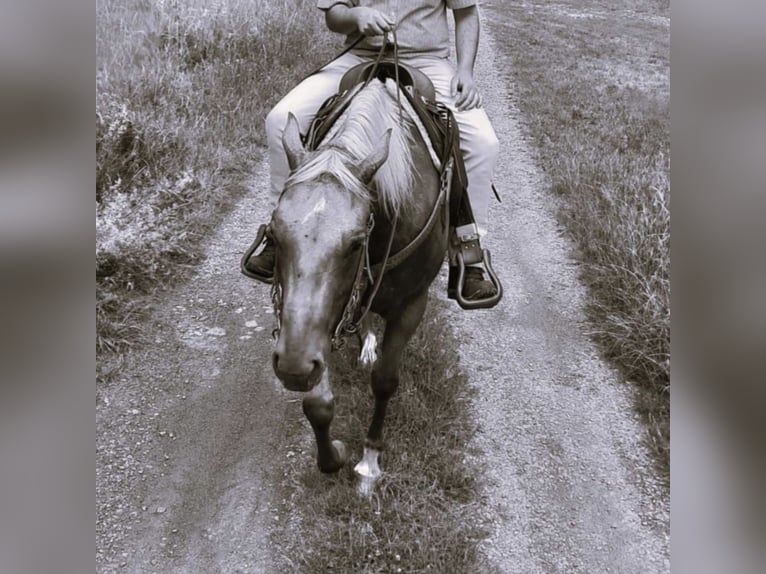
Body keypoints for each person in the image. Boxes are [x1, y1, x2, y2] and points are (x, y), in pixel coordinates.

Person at [245, 0, 499, 299]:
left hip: (428, 62)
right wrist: (357, 16)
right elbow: (334, 15)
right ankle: (279, 233)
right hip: (359, 58)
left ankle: (467, 253)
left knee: (483, 142)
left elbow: (467, 13)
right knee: (279, 119)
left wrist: (466, 71)